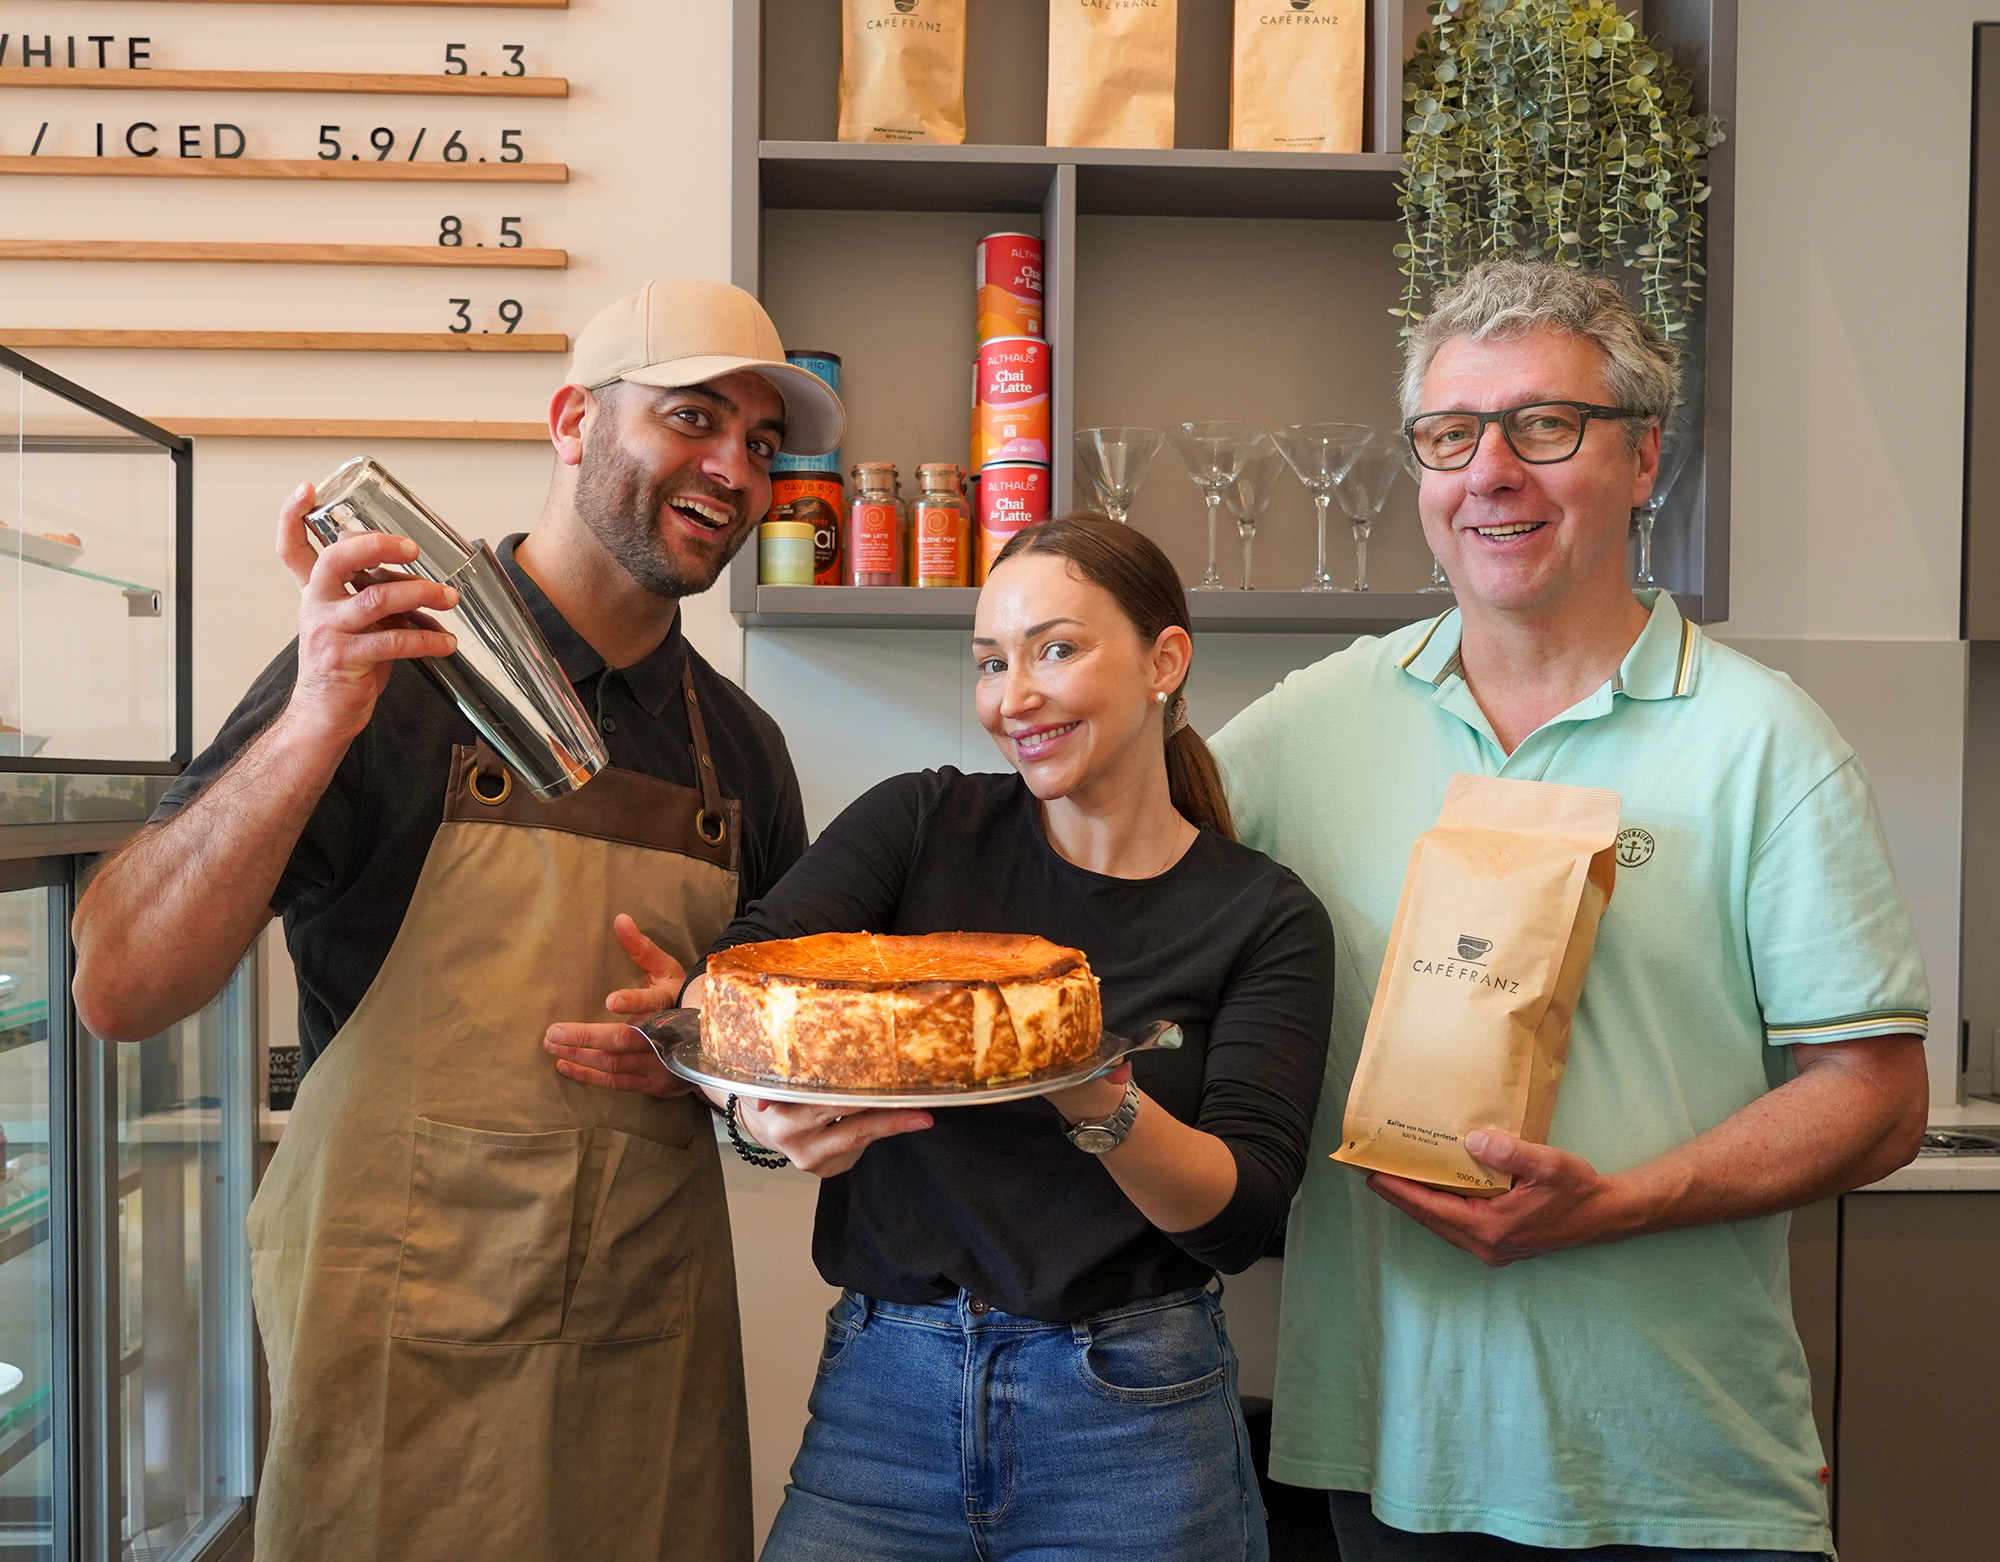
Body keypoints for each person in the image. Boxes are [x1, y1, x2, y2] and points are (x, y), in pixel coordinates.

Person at [69, 277, 843, 1562]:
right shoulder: (387, 663)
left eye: (762, 443)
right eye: (693, 418)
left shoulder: (743, 756)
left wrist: (713, 1062)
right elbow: (119, 984)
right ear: (571, 422)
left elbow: (786, 1089)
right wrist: (317, 714)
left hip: (641, 1369)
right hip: (400, 1372)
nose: (735, 468)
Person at [1212, 258, 1930, 1561]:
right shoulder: (1302, 732)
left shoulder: (1765, 740)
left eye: (1545, 425)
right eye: (1450, 433)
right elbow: (1116, 891)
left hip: (1685, 1476)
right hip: (1391, 1467)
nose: (1490, 471)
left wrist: (1620, 1201)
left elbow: (1877, 1093)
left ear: (1645, 455)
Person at [544, 515, 1337, 1562]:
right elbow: (744, 972)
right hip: (885, 1394)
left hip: (1134, 1416)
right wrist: (758, 1108)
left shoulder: (1263, 914)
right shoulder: (919, 821)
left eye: (1055, 648)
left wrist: (1084, 1083)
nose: (1012, 697)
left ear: (1164, 660)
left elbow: (1240, 1210)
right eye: (989, 661)